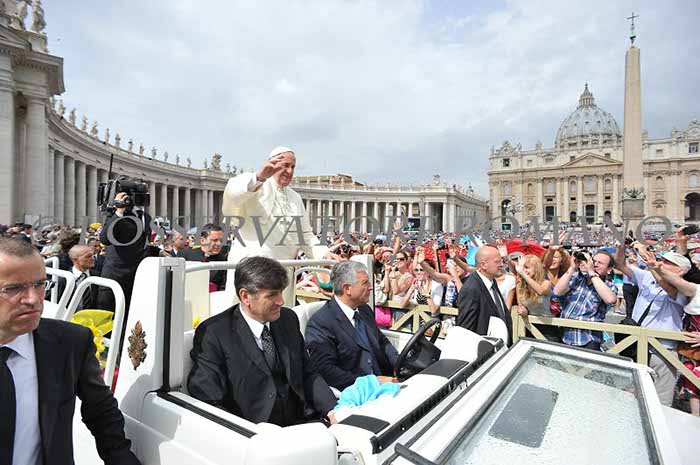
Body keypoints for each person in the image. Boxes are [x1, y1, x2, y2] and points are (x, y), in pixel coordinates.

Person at [0, 237, 140, 465]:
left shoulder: (70, 343)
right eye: (14, 288)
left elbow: (100, 410)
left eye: (40, 284)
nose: (33, 299)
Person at [187, 256, 337, 426]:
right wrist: (247, 434)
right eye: (272, 295)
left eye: (281, 292)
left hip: (304, 422)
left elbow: (307, 372)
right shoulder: (214, 333)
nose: (281, 301)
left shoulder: (287, 319)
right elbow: (209, 397)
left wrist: (332, 410)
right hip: (252, 431)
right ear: (246, 296)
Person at [221, 147, 338, 303]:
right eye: (285, 165)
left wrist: (323, 253)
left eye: (293, 167)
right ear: (272, 164)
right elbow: (232, 194)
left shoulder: (295, 198)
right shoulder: (254, 185)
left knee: (279, 314)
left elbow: (305, 235)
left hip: (284, 273)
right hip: (252, 271)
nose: (290, 171)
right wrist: (259, 177)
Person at [305, 261, 399, 390]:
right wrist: (371, 382)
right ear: (347, 289)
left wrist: (399, 363)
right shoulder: (320, 323)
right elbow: (326, 371)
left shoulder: (364, 310)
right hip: (357, 392)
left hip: (387, 383)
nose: (371, 287)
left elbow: (382, 342)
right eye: (365, 283)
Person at [615, 245, 690, 406]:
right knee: (633, 396)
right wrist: (621, 247)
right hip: (636, 345)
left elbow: (669, 289)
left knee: (661, 401)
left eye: (667, 262)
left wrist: (653, 267)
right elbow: (620, 264)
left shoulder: (686, 287)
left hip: (662, 350)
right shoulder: (647, 276)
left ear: (680, 271)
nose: (661, 263)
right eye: (661, 260)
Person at [96, 192, 152, 314]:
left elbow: (142, 244)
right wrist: (119, 211)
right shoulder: (114, 215)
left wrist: (160, 252)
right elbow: (105, 239)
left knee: (130, 316)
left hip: (136, 276)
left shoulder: (145, 217)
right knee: (107, 315)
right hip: (115, 274)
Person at [553, 250, 617, 351]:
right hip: (565, 336)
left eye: (600, 263)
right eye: (594, 261)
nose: (595, 264)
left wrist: (591, 272)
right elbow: (557, 291)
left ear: (609, 269)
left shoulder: (609, 286)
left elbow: (610, 299)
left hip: (588, 339)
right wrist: (572, 267)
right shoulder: (577, 278)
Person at [456, 246, 512, 343]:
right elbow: (466, 329)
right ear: (483, 265)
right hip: (483, 348)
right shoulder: (471, 289)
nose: (502, 265)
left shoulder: (491, 282)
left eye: (502, 261)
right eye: (497, 261)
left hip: (499, 346)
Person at [180, 224, 228, 291]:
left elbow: (224, 286)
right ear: (202, 240)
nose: (219, 244)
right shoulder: (185, 255)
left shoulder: (224, 260)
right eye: (215, 240)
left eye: (221, 241)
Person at [57, 244, 100, 310]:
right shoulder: (64, 279)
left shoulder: (97, 276)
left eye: (92, 255)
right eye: (88, 256)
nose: (92, 258)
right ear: (75, 259)